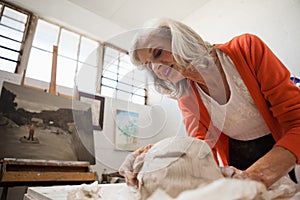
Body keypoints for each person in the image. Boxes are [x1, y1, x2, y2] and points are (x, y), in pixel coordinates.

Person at [119, 18, 300, 189]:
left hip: (283, 146)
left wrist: (256, 175)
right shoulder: (187, 97)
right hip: (237, 154)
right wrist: (153, 154)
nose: (156, 67)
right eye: (148, 65)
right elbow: (200, 150)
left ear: (181, 40)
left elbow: (297, 122)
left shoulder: (247, 49)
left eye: (157, 53)